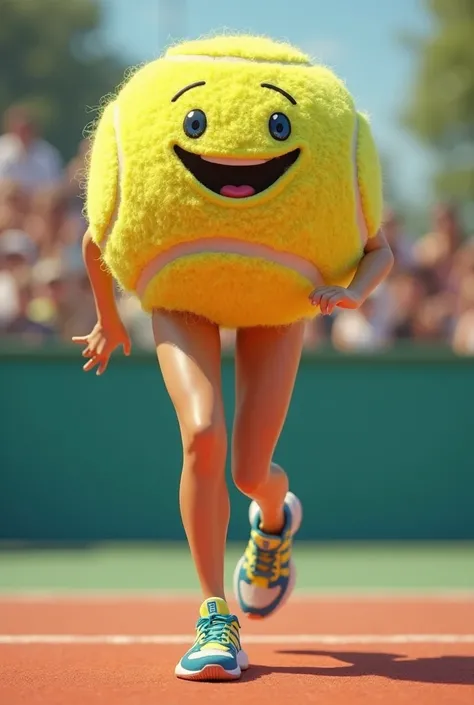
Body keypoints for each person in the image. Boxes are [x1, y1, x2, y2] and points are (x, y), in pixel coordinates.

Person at [73, 35, 394, 682]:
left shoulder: (331, 173)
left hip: (281, 300)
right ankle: (214, 613)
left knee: (250, 472)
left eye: (276, 125)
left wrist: (355, 293)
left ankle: (274, 520)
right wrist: (107, 320)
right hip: (180, 295)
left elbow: (379, 251)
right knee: (201, 435)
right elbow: (95, 241)